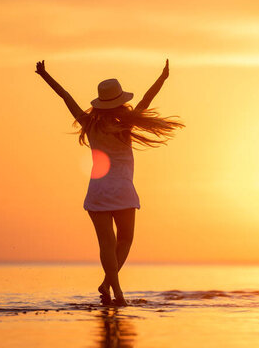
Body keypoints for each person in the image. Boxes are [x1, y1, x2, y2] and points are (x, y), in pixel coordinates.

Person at [35, 59, 183, 306]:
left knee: (107, 245)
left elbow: (66, 97)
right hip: (122, 190)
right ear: (120, 102)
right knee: (124, 240)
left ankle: (112, 289)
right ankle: (114, 292)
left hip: (98, 191)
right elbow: (146, 99)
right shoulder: (126, 125)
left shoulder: (89, 124)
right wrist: (163, 77)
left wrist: (44, 75)